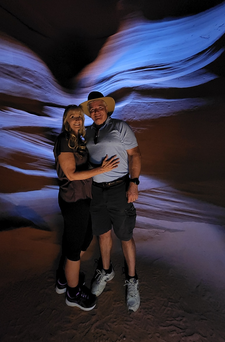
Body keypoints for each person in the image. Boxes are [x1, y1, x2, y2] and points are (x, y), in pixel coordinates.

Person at [79, 91, 142, 312]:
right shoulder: (85, 133)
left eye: (99, 107)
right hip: (96, 191)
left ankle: (132, 280)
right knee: (103, 233)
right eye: (92, 109)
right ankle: (106, 270)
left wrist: (133, 182)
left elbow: (135, 154)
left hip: (119, 188)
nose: (96, 112)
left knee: (125, 235)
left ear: (107, 109)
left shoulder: (120, 127)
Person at [53, 105, 119, 311]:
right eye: (72, 117)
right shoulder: (64, 140)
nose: (77, 119)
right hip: (74, 201)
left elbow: (83, 167)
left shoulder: (78, 141)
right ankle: (72, 293)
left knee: (84, 237)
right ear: (66, 121)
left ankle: (64, 278)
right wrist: (101, 169)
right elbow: (71, 174)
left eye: (79, 117)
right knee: (75, 247)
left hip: (83, 199)